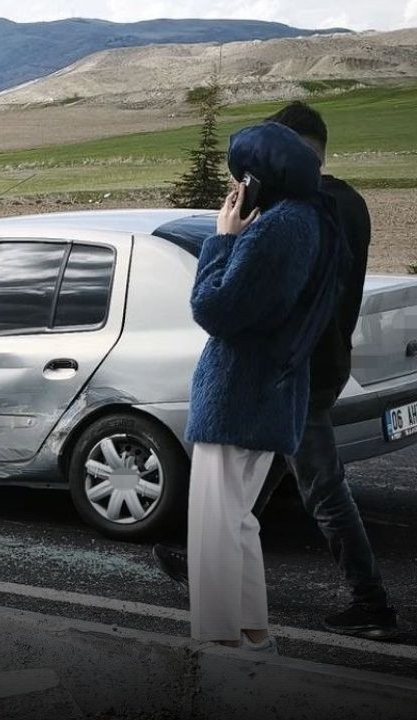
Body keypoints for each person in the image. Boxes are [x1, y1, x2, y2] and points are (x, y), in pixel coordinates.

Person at [154, 102, 398, 641]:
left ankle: (371, 602)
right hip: (318, 358)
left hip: (284, 370)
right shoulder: (340, 206)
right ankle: (218, 583)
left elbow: (222, 308)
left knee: (317, 488)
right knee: (250, 494)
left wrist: (225, 240)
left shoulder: (291, 220)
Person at [184, 122, 346, 654]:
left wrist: (222, 239)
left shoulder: (276, 228)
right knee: (238, 522)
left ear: (255, 179)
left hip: (239, 395)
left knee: (214, 529)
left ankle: (221, 650)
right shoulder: (313, 219)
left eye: (240, 179)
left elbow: (215, 309)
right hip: (271, 392)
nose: (235, 190)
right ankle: (252, 636)